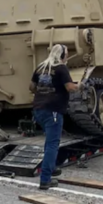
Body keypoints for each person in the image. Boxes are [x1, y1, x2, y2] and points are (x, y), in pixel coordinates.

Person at [30, 44, 79, 190]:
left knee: (49, 141)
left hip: (38, 109)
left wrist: (43, 94)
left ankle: (50, 167)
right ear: (62, 55)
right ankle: (45, 180)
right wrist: (80, 85)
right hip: (53, 111)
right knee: (53, 144)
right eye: (67, 54)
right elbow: (70, 87)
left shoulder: (40, 67)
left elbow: (31, 87)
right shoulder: (61, 68)